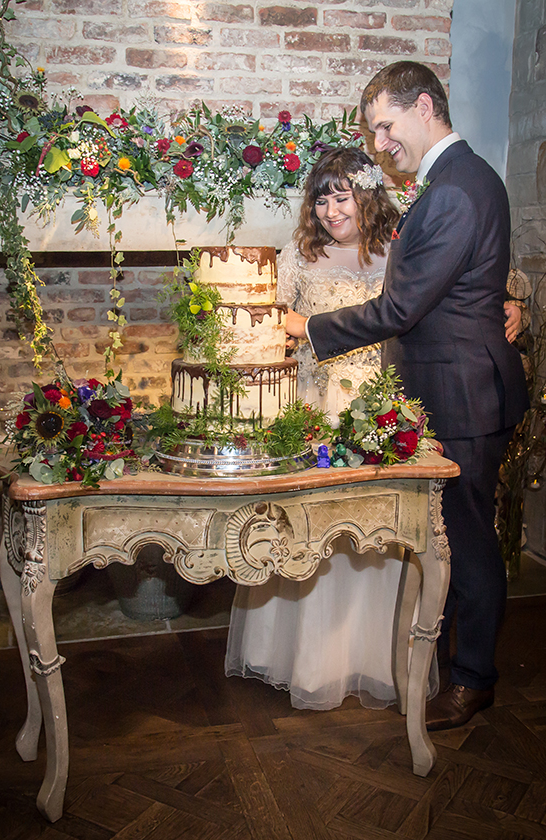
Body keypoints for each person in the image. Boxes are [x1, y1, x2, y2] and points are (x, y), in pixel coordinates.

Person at [286, 61, 529, 730]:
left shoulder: (453, 188)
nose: (379, 143)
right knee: (446, 540)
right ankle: (443, 664)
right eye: (371, 132)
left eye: (385, 127)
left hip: (465, 395)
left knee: (469, 546)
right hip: (446, 389)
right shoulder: (454, 180)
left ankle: (474, 679)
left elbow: (401, 307)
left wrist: (309, 327)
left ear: (425, 106)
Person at [225, 146, 423, 711]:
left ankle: (363, 658)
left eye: (344, 196)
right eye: (323, 198)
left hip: (372, 408)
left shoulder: (397, 253)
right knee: (303, 529)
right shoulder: (299, 255)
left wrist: (514, 302)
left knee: (367, 537)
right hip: (309, 405)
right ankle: (298, 657)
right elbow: (263, 323)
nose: (333, 211)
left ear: (368, 196)